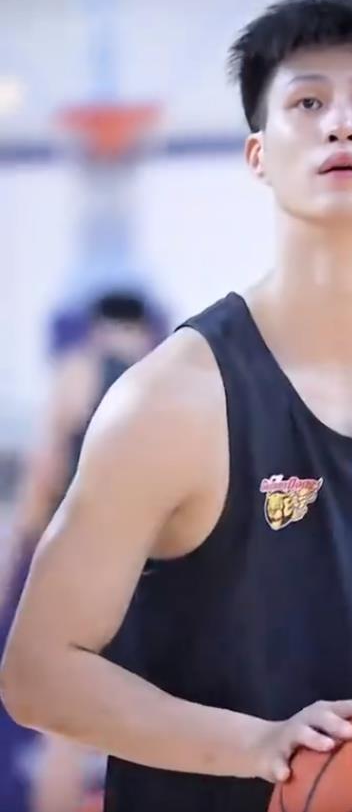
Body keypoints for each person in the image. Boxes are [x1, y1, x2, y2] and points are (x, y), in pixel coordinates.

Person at [0, 0, 352, 812]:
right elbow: (38, 671)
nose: (341, 123)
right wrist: (261, 746)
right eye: (307, 102)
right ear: (257, 155)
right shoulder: (168, 402)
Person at [0, 292, 154, 812]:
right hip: (143, 565)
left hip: (75, 560)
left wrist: (15, 568)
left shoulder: (78, 372)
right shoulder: (162, 375)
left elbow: (42, 481)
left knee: (62, 725)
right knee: (127, 723)